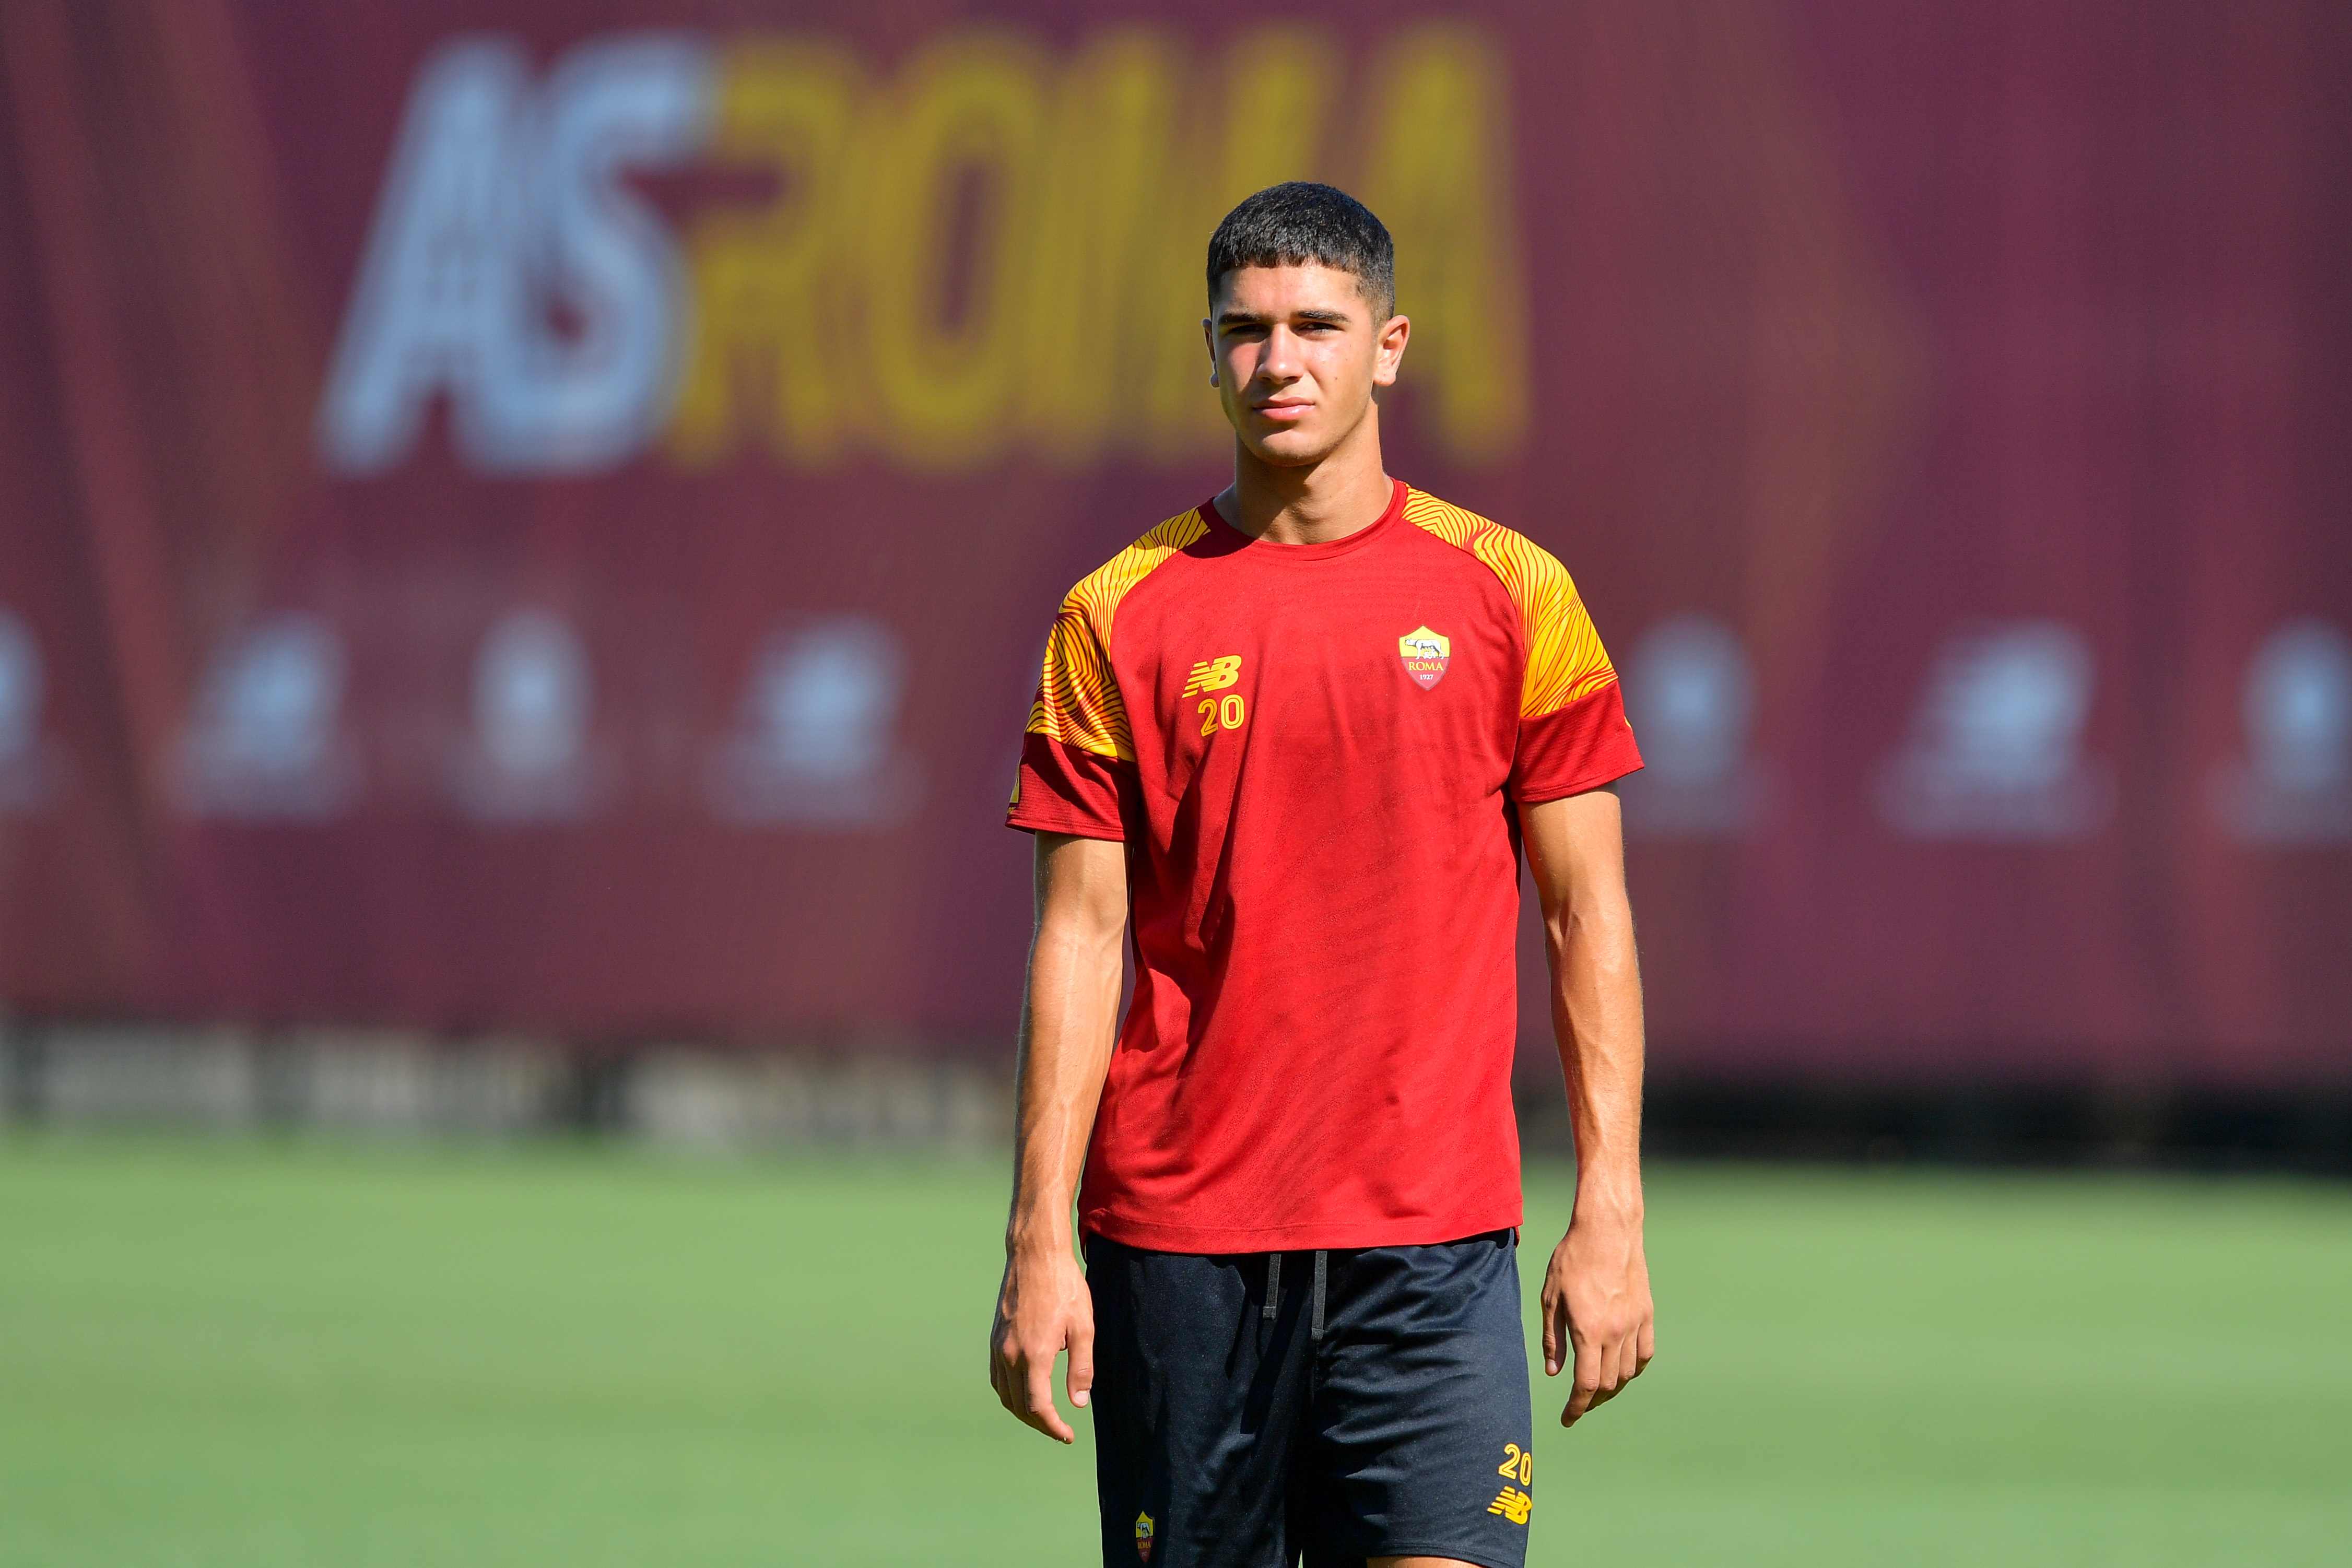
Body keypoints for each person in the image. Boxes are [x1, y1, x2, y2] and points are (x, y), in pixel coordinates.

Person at [990, 181, 1653, 1568]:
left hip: (1432, 1242)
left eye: (1315, 326)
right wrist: (1038, 1240)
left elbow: (1585, 911)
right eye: (1246, 330)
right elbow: (1078, 940)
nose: (1278, 360)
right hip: (1182, 1243)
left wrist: (1613, 1209)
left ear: (1390, 345)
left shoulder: (1513, 592)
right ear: (1208, 349)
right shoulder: (1114, 612)